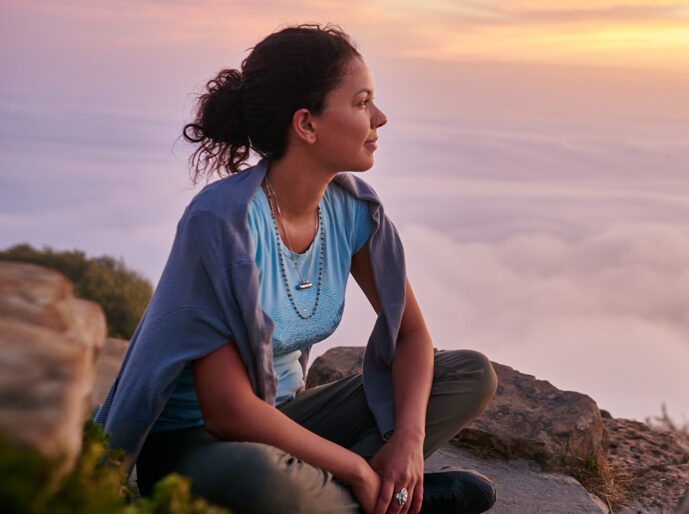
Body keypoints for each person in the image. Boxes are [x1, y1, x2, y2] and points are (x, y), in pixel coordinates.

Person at [93, 24, 498, 514]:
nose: (381, 117)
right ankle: (380, 496)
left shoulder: (352, 209)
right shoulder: (224, 222)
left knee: (470, 373)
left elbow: (412, 336)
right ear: (306, 125)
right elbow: (228, 411)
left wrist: (408, 444)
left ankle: (362, 495)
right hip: (200, 445)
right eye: (362, 101)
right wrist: (353, 467)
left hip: (291, 421)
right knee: (264, 481)